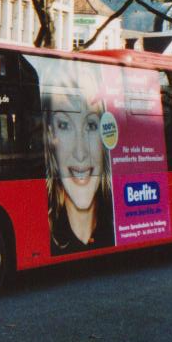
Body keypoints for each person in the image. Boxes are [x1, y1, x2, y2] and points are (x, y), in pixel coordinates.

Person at [44, 63, 114, 255]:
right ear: (51, 137)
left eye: (91, 125)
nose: (81, 152)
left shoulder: (119, 228)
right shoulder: (43, 236)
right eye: (65, 125)